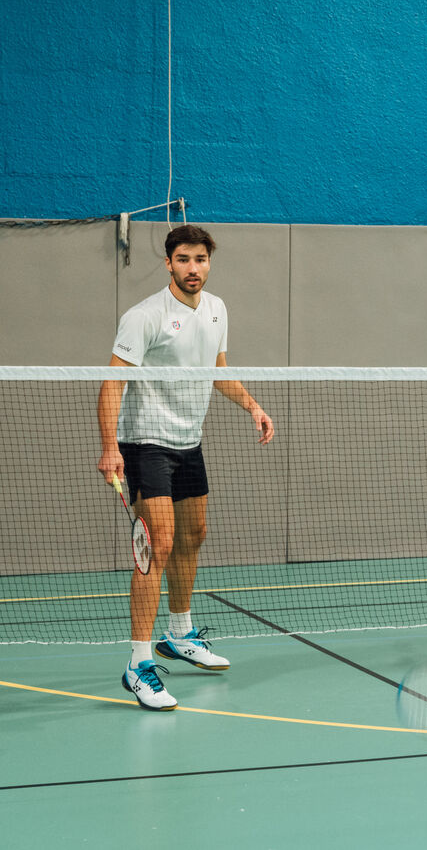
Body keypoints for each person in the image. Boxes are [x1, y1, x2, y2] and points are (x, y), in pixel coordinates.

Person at [97, 224, 274, 711]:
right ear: (168, 263)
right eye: (183, 259)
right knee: (157, 546)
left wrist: (253, 406)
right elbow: (111, 383)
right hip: (145, 443)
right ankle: (138, 664)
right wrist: (109, 446)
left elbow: (217, 371)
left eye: (200, 259)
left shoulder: (216, 309)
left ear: (209, 262)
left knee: (194, 535)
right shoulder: (144, 316)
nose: (193, 268)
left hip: (188, 442)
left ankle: (179, 634)